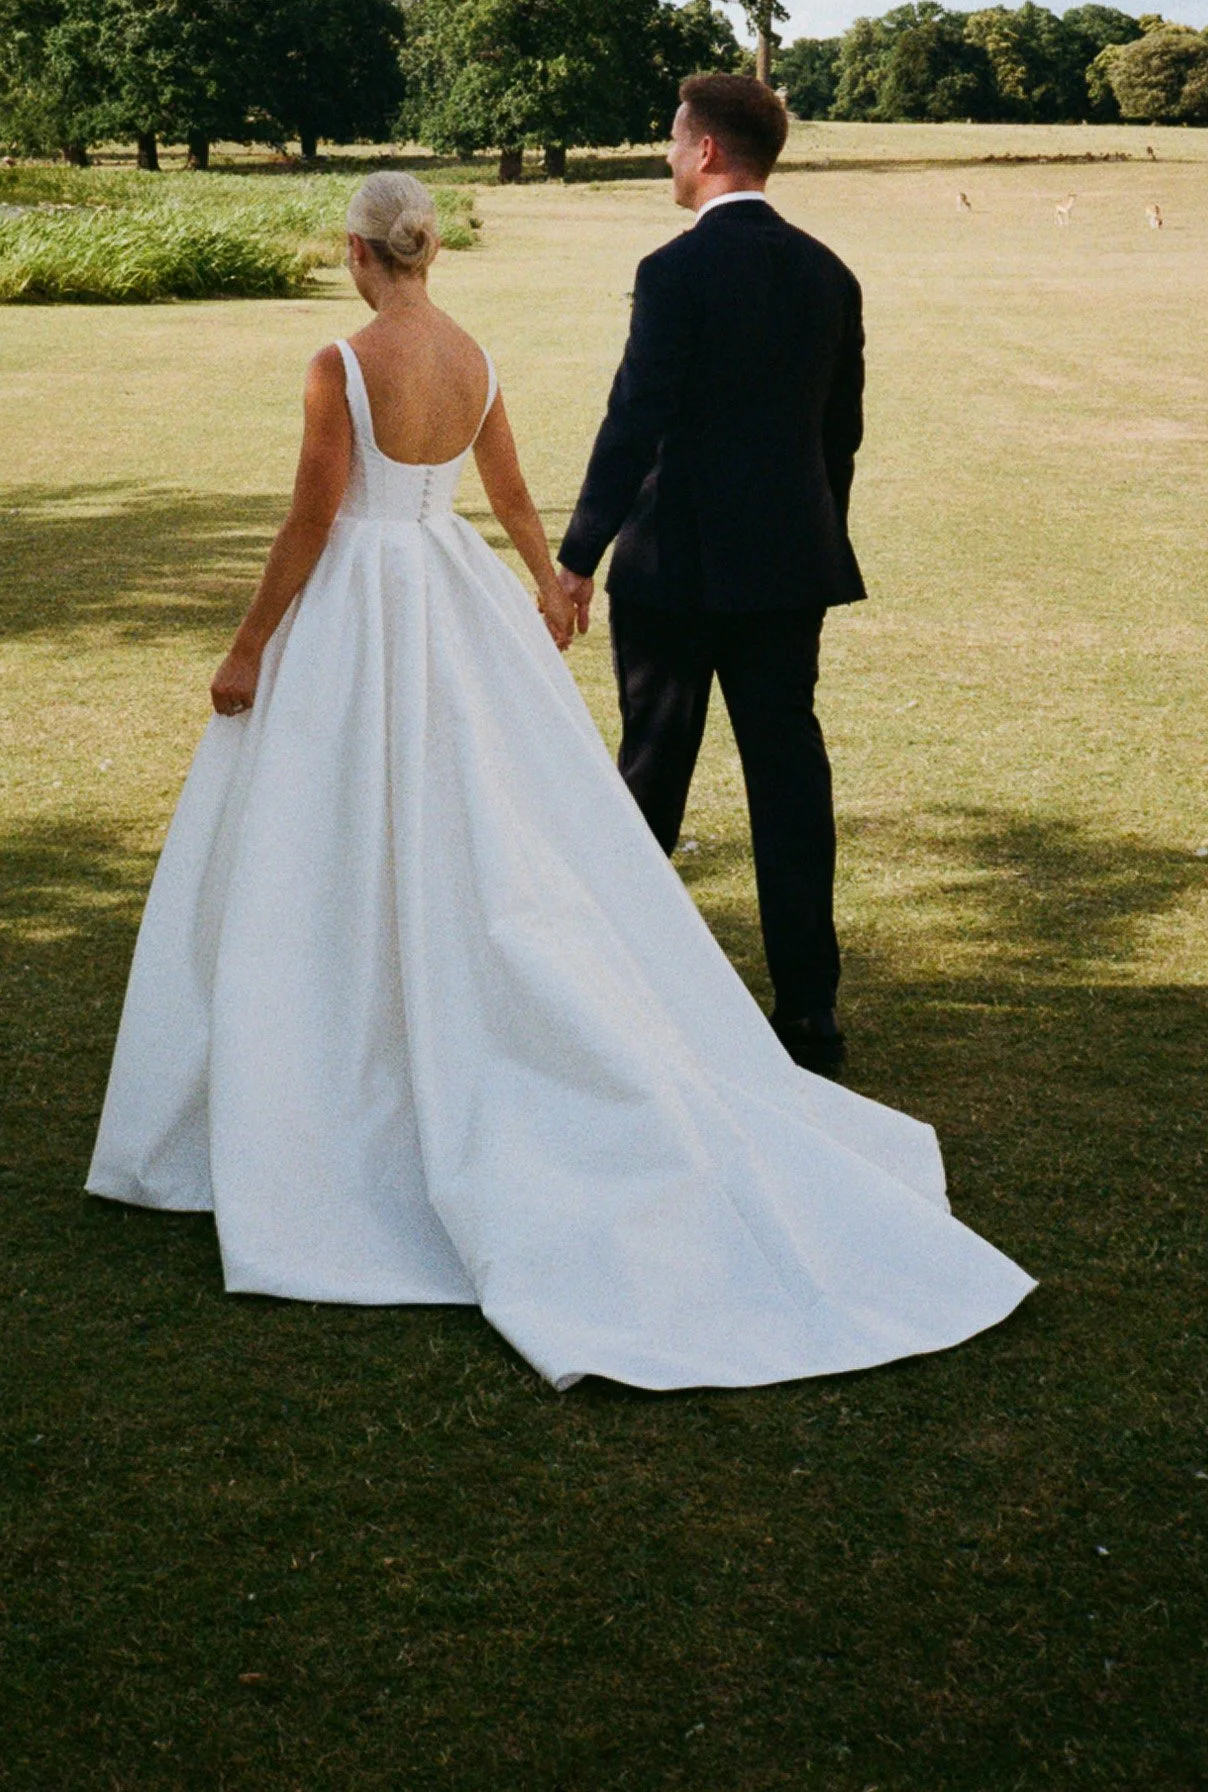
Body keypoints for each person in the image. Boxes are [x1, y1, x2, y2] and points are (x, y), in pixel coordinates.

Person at [86, 169, 1032, 1391]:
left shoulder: (341, 362)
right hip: (446, 594)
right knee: (461, 816)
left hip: (360, 608)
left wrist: (248, 645)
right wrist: (545, 579)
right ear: (426, 250)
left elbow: (311, 522)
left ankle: (331, 1053)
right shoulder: (472, 357)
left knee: (327, 828)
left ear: (358, 253)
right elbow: (510, 493)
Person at [558, 73, 862, 1077]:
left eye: (672, 138)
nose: (666, 154)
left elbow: (635, 418)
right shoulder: (828, 273)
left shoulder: (672, 271)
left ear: (707, 152)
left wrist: (577, 556)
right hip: (788, 571)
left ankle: (620, 994)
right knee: (788, 782)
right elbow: (839, 436)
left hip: (674, 569)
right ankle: (809, 1012)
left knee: (651, 773)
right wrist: (811, 540)